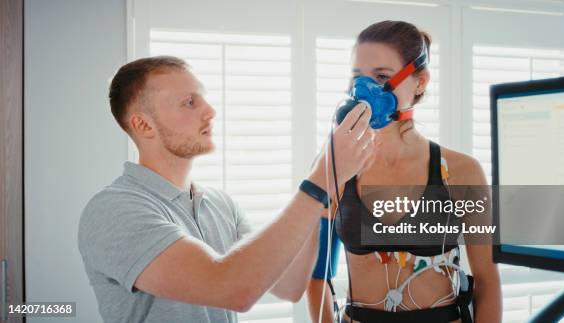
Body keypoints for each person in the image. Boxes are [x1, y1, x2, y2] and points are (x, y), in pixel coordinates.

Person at [77, 56, 374, 323]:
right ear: (143, 126)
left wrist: (326, 190)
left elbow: (291, 285)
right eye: (189, 102)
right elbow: (232, 289)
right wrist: (318, 181)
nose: (210, 111)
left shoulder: (219, 204)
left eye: (203, 99)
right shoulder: (113, 211)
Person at [306, 21, 502, 323]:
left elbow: (487, 280)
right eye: (358, 77)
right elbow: (317, 276)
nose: (363, 90)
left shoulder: (462, 172)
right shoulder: (335, 168)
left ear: (420, 81)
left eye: (382, 76)